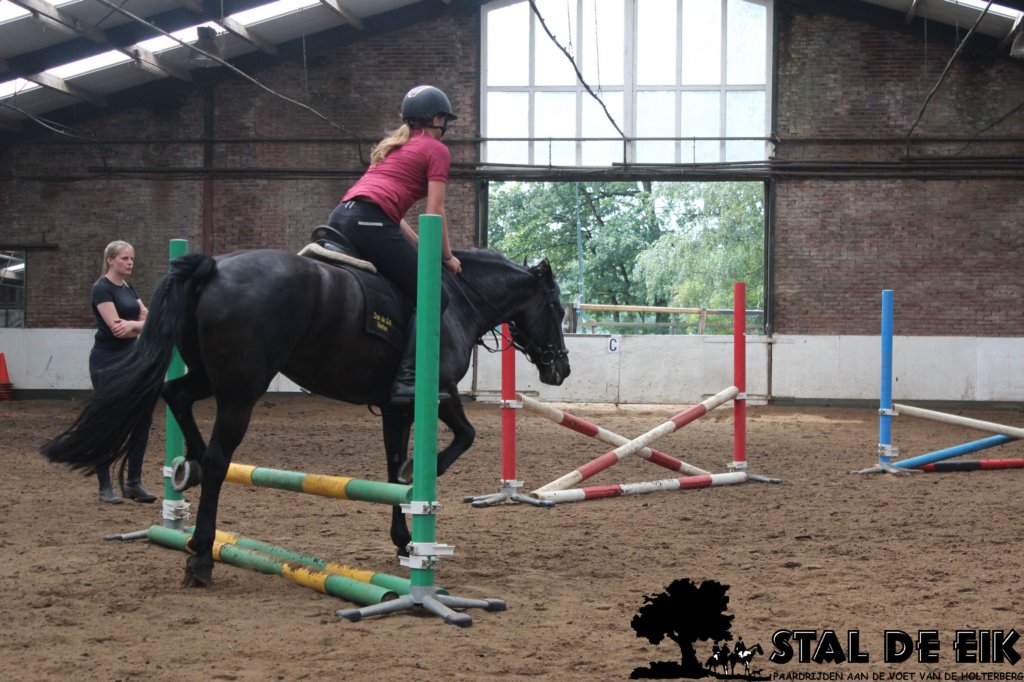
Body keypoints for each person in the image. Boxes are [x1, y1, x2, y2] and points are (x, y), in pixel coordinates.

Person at [327, 84, 462, 405]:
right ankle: (408, 379)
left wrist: (419, 245)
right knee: (435, 296)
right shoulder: (436, 150)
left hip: (343, 217)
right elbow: (436, 211)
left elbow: (392, 214)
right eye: (444, 120)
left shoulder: (393, 147)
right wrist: (447, 257)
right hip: (371, 222)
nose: (445, 126)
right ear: (436, 119)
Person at [89, 240, 156, 504]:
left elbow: (149, 322)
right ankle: (105, 485)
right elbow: (117, 329)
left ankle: (133, 482)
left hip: (132, 357)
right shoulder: (101, 288)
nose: (130, 263)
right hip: (107, 360)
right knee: (109, 422)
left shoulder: (129, 287)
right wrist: (136, 324)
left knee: (142, 419)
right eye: (125, 258)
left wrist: (134, 325)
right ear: (110, 260)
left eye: (132, 259)